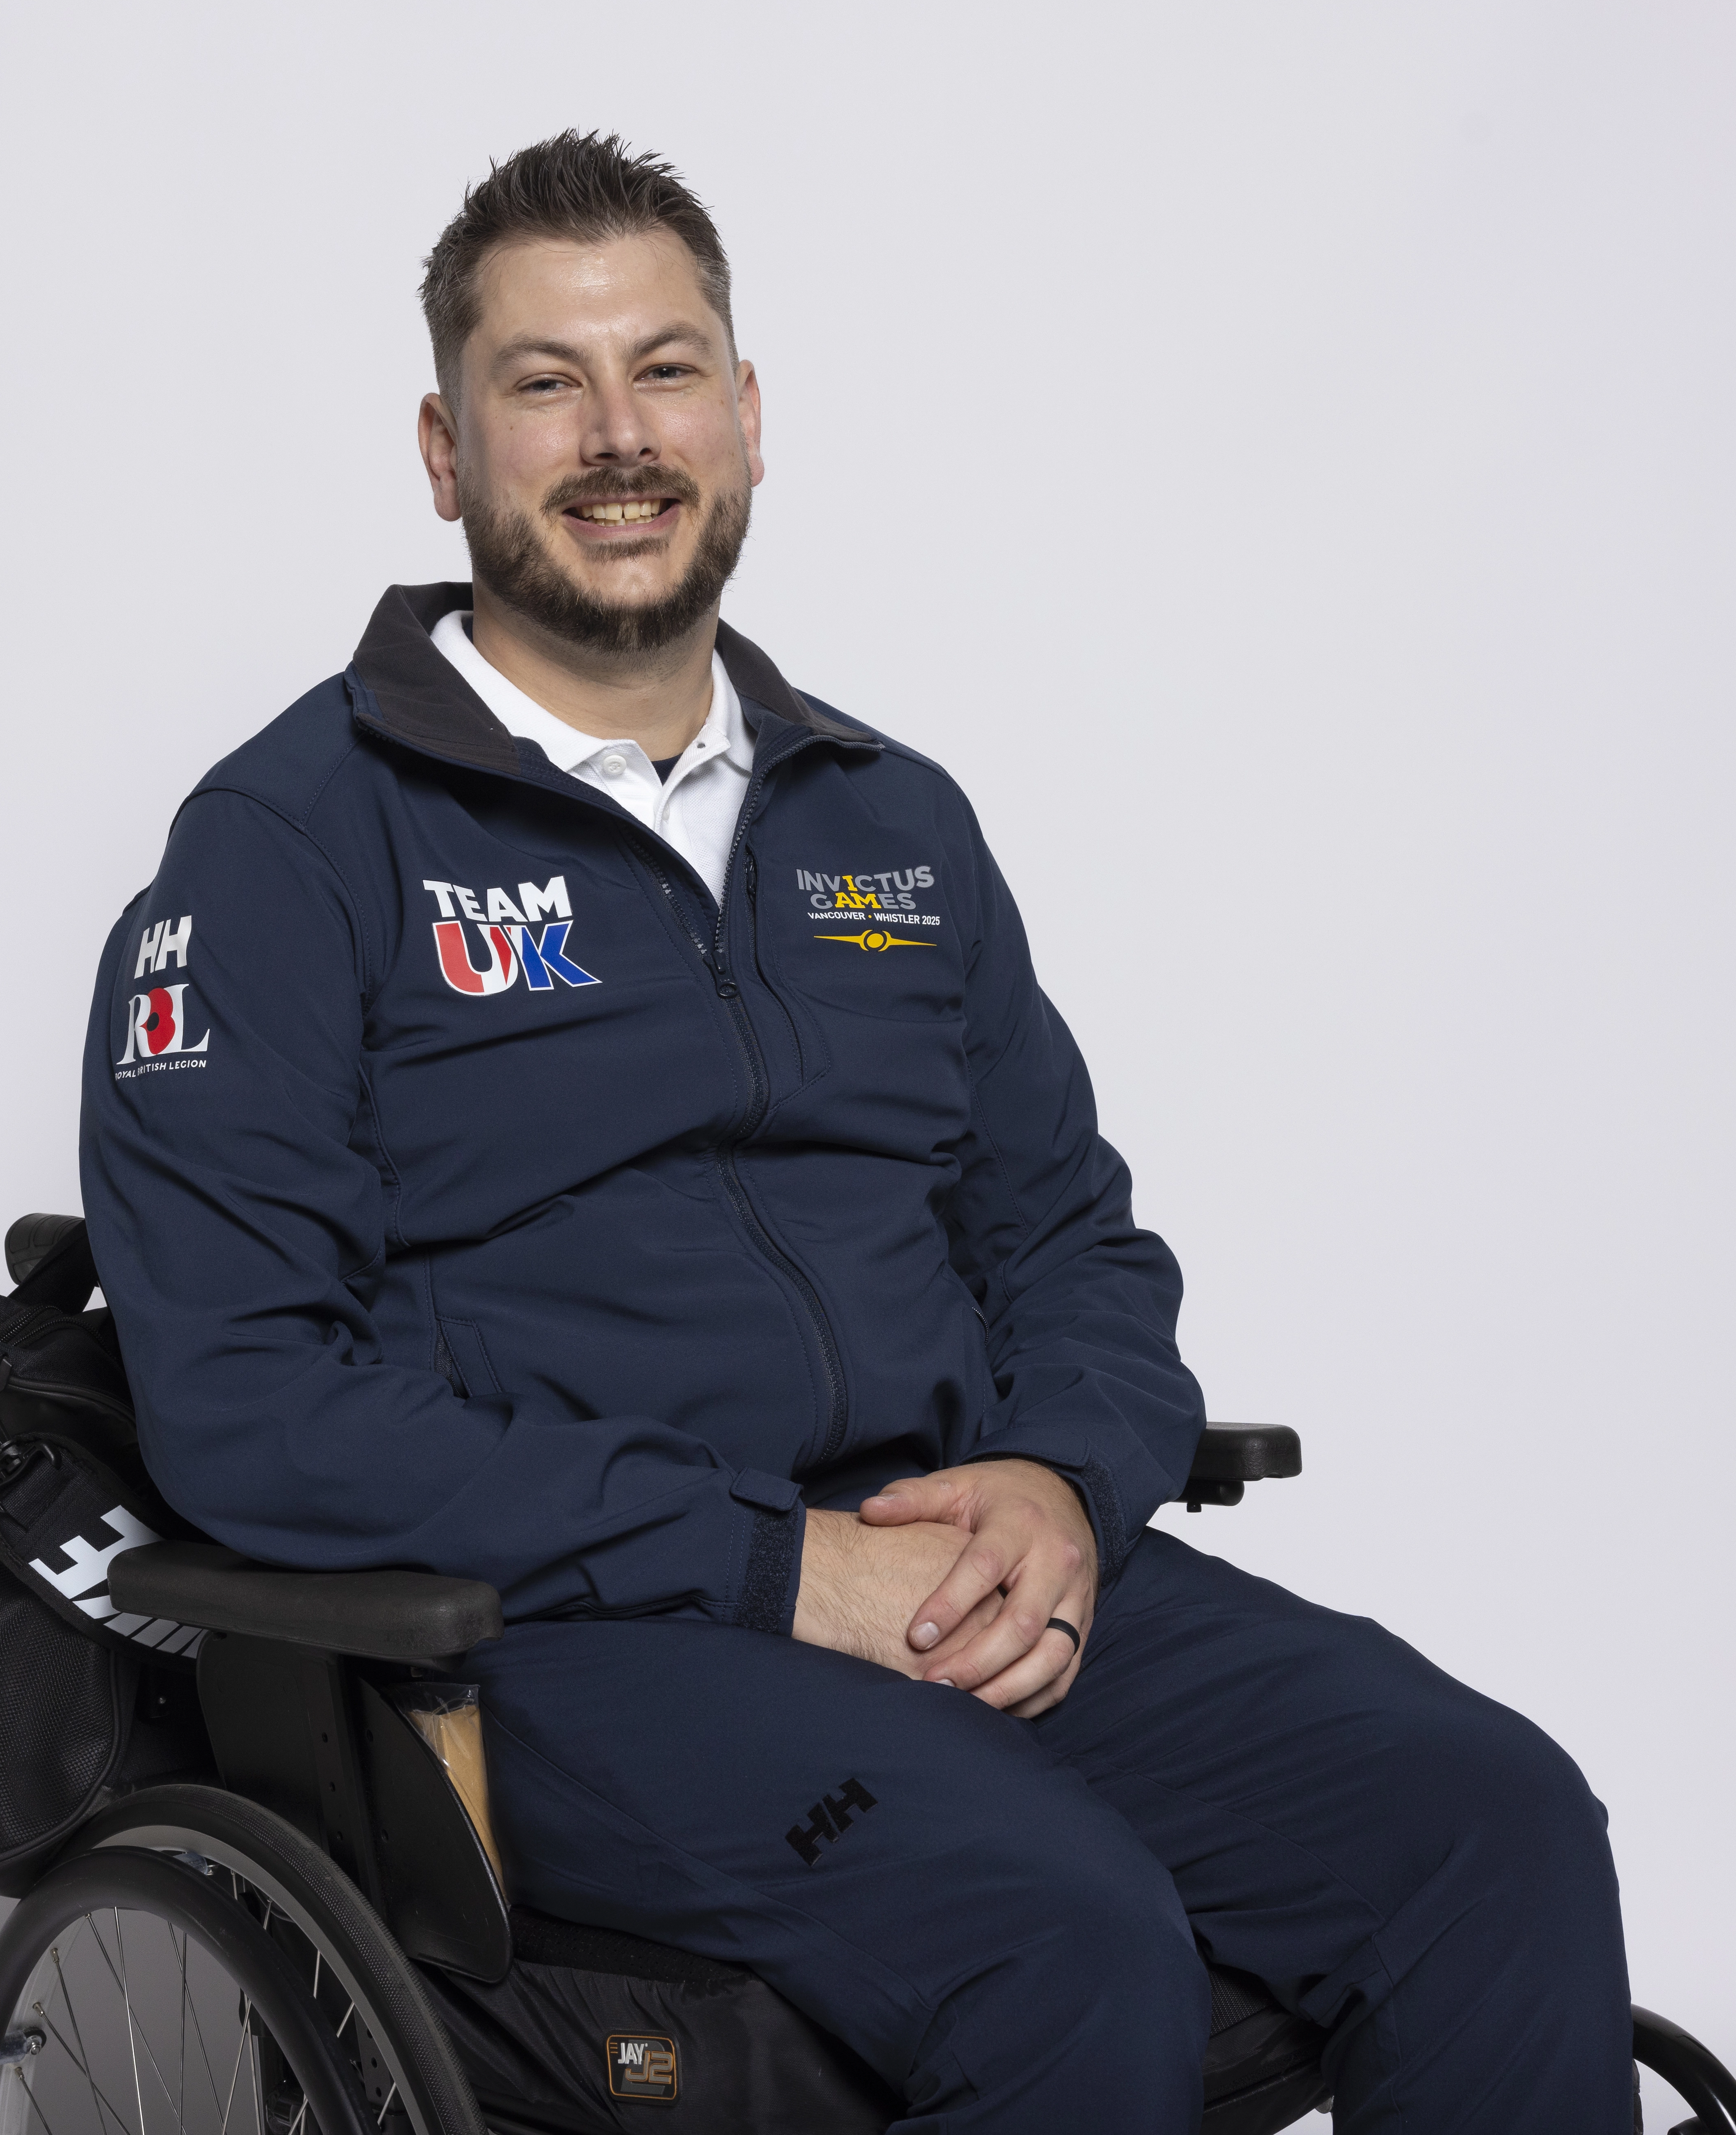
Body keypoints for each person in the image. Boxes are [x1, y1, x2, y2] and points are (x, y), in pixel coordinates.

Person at [79, 132, 1630, 2132]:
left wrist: (1063, 1481)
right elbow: (250, 1404)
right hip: (572, 1630)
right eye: (544, 382)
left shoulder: (885, 818)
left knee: (1489, 1826)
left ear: (747, 417)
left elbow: (1070, 1242)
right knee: (1063, 1942)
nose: (617, 435)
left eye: (667, 369)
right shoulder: (293, 847)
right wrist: (768, 1565)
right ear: (445, 450)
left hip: (958, 1564)